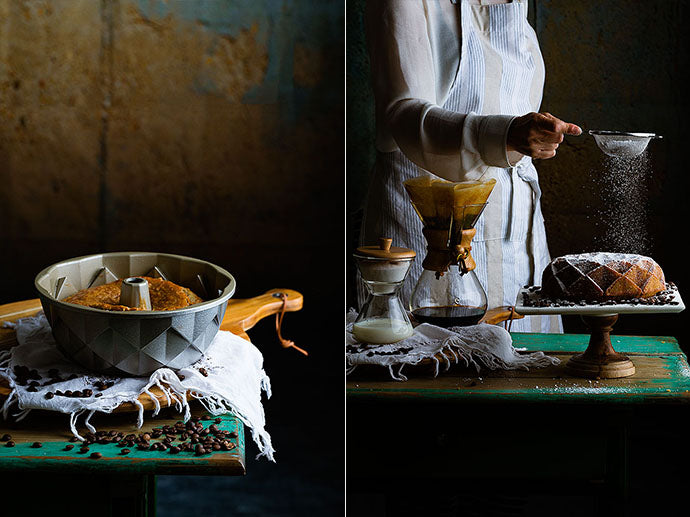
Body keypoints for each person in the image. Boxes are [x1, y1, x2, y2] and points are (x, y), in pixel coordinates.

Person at [360, 0, 582, 333]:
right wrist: (502, 134)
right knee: (430, 366)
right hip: (426, 236)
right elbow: (403, 113)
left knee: (526, 369)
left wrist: (531, 135)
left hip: (517, 236)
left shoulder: (516, 9)